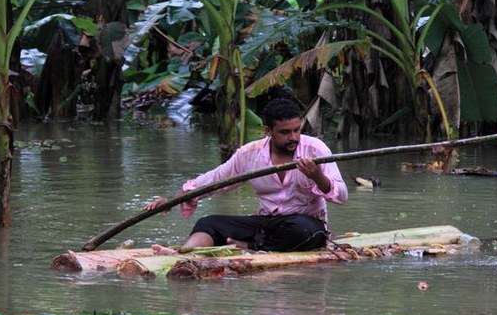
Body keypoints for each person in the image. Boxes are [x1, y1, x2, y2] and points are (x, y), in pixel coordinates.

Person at [146, 98, 347, 253]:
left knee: (302, 230)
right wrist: (173, 199)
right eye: (285, 132)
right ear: (268, 131)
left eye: (296, 130)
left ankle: (250, 248)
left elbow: (342, 197)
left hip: (304, 225)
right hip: (265, 224)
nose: (293, 137)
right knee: (209, 222)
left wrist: (317, 177)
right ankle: (183, 255)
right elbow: (216, 180)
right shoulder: (250, 153)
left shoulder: (316, 150)